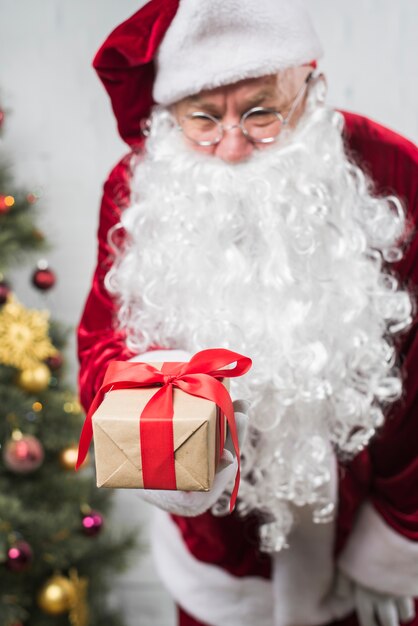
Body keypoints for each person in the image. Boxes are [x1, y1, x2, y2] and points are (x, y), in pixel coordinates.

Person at [77, 1, 418, 626]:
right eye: (202, 118)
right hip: (221, 561)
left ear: (309, 87)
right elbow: (103, 345)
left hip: (366, 543)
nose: (232, 147)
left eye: (261, 111)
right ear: (167, 115)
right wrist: (162, 437)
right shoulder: (136, 190)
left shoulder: (395, 169)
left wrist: (400, 537)